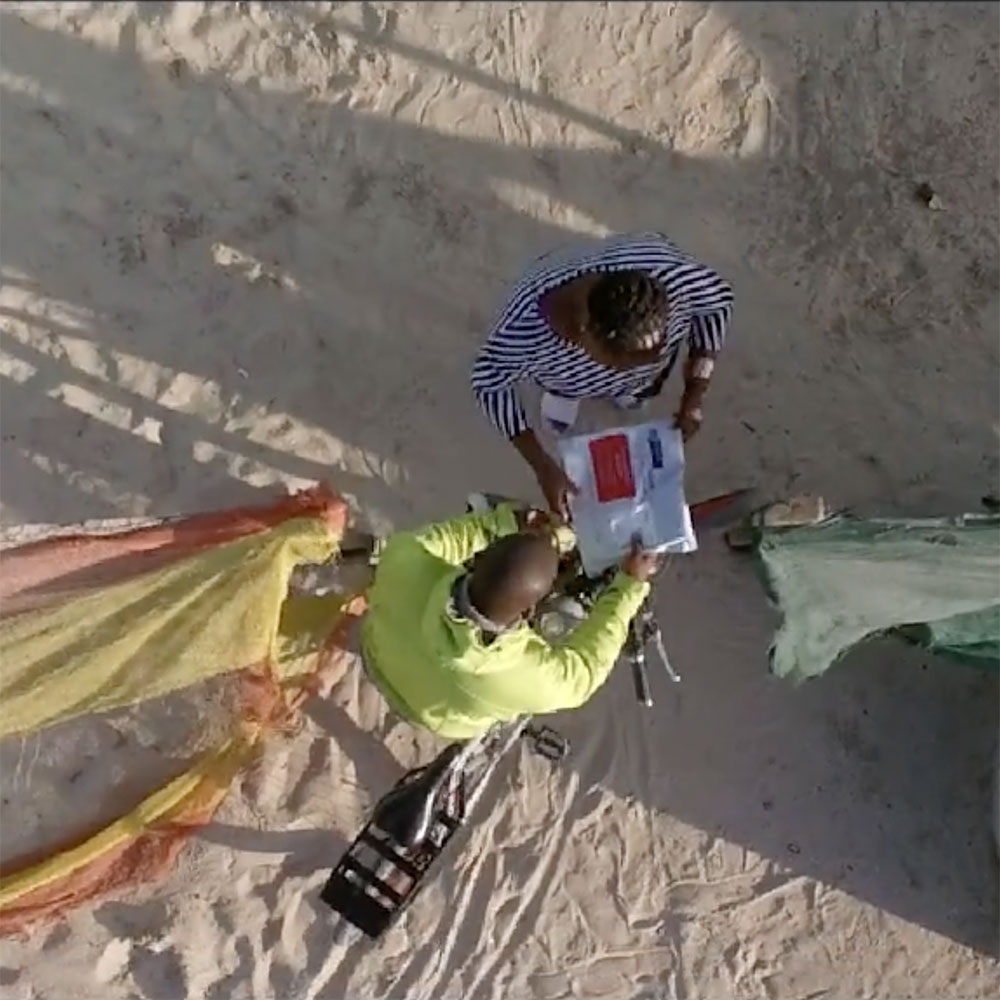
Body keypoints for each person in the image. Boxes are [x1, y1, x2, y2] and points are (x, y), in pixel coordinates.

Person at [471, 232, 733, 514]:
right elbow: (489, 382)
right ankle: (564, 397)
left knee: (642, 387)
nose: (654, 361)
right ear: (583, 335)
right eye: (624, 364)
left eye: (662, 349)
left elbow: (717, 306)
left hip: (635, 384)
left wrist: (694, 395)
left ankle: (631, 393)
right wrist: (542, 466)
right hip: (566, 381)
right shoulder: (521, 333)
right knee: (565, 388)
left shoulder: (673, 274)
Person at [361, 501, 660, 740]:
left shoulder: (403, 558)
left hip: (377, 657)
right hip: (436, 719)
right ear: (530, 613)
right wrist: (629, 584)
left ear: (477, 562)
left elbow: (449, 538)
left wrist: (504, 522)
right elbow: (585, 669)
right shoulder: (523, 678)